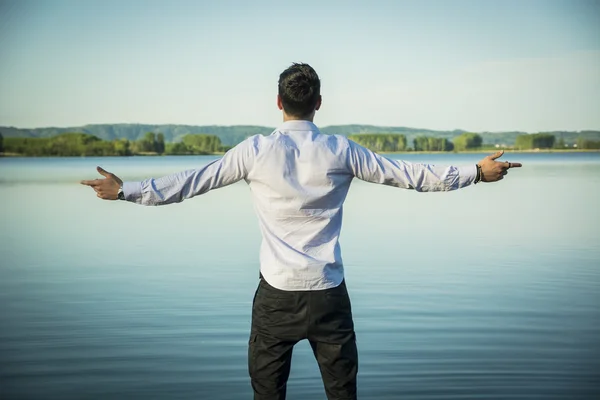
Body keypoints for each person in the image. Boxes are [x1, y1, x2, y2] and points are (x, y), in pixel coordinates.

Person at [81, 63, 522, 400]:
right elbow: (410, 174)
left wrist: (126, 192)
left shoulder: (255, 151)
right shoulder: (340, 149)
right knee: (342, 394)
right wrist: (475, 173)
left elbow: (191, 182)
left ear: (278, 102)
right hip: (329, 293)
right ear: (319, 102)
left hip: (276, 297)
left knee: (267, 395)